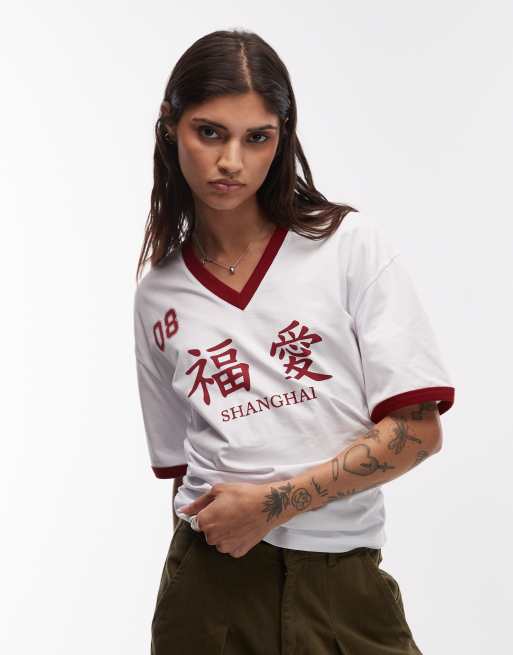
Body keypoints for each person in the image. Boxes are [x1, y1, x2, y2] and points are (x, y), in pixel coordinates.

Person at [133, 28, 455, 655]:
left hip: (342, 580)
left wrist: (271, 506)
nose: (232, 161)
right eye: (210, 132)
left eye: (257, 137)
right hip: (209, 588)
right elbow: (183, 473)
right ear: (171, 128)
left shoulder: (347, 247)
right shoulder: (158, 295)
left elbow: (418, 431)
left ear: (283, 138)